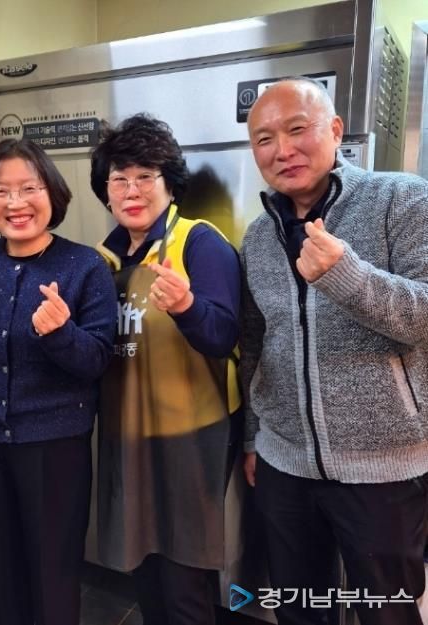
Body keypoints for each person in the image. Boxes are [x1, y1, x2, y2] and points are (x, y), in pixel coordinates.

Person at [240, 77, 428, 625]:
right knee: (300, 610)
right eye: (265, 139)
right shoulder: (258, 236)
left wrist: (347, 275)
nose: (283, 150)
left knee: (387, 613)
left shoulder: (402, 198)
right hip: (283, 463)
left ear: (336, 130)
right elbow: (255, 342)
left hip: (385, 469)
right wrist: (253, 436)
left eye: (297, 129)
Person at [0, 138, 117, 625]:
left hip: (55, 449)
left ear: (52, 193)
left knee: (52, 574)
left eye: (30, 188)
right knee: (0, 570)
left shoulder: (85, 266)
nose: (16, 202)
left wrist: (60, 334)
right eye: (1, 190)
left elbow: (97, 360)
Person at [90, 113, 242, 625]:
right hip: (128, 434)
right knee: (144, 568)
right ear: (105, 191)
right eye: (119, 178)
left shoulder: (199, 243)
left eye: (145, 176)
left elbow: (223, 336)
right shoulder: (103, 260)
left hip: (191, 437)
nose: (131, 190)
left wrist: (186, 306)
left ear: (170, 184)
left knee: (183, 581)